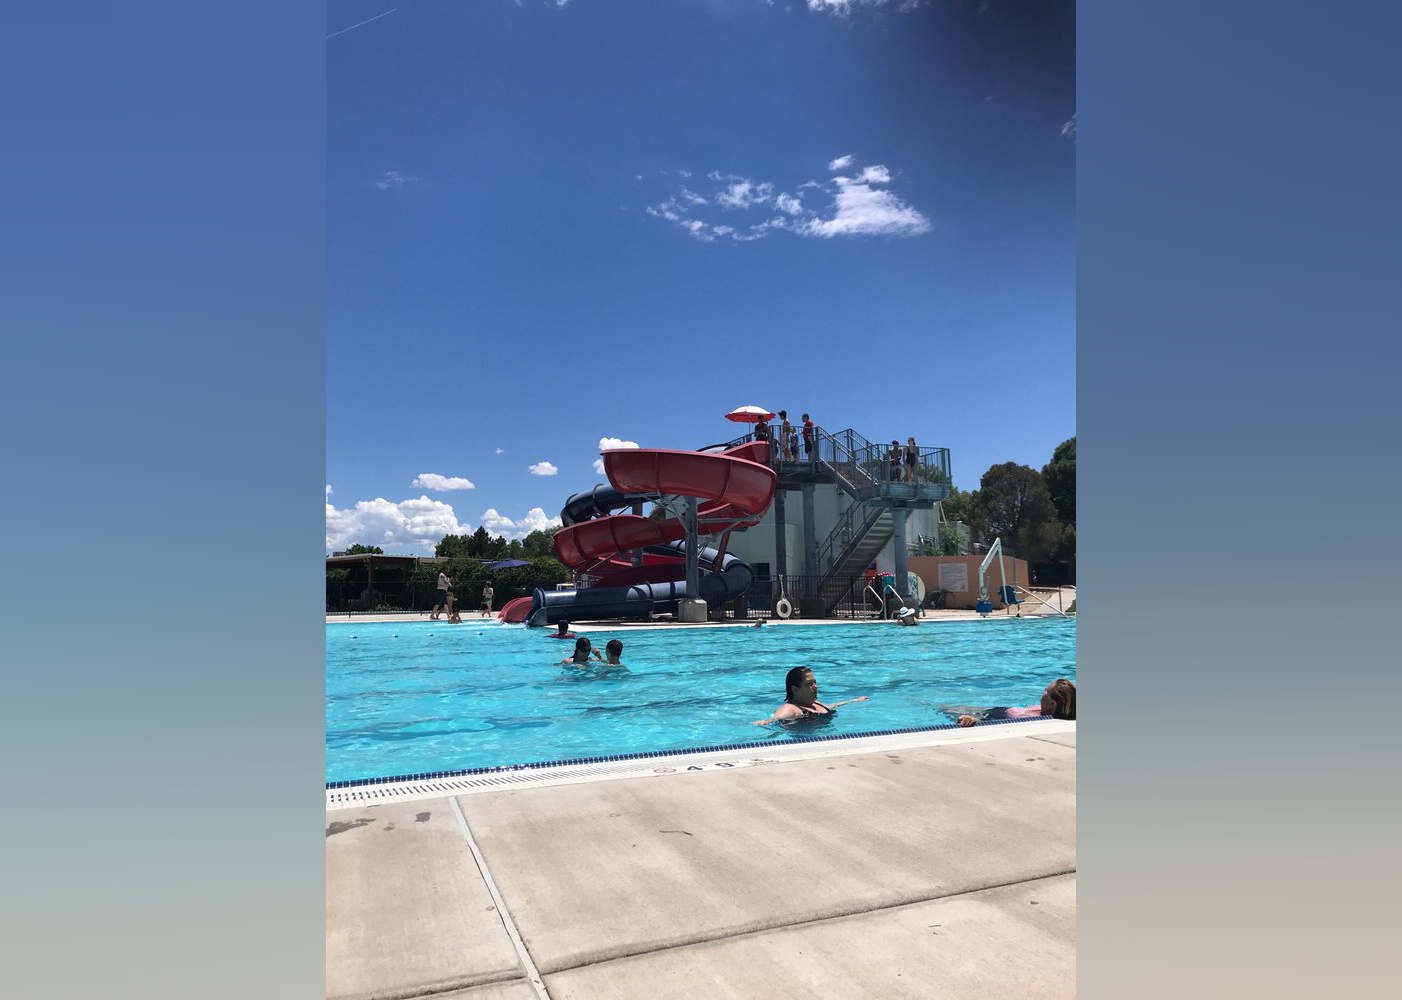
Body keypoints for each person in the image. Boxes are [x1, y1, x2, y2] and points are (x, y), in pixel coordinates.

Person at [753, 667, 868, 725]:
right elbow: (776, 719)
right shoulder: (791, 709)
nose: (815, 687)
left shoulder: (814, 703)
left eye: (815, 682)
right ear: (795, 689)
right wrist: (766, 721)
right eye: (809, 684)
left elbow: (831, 706)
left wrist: (855, 700)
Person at [955, 679, 1076, 727]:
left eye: (1045, 692)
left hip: (989, 716)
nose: (1042, 694)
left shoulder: (1027, 719)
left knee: (951, 710)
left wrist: (974, 720)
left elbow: (1000, 726)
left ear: (1052, 703)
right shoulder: (1043, 711)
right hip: (991, 711)